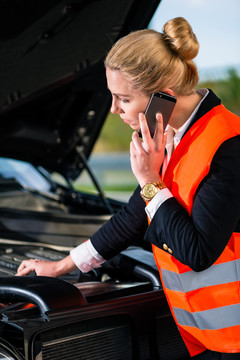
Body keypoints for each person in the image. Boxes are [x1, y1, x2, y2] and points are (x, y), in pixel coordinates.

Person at [16, 17, 240, 359]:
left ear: (163, 94)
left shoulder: (227, 144)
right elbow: (133, 217)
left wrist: (150, 180)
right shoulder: (168, 140)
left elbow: (197, 253)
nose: (112, 109)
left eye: (123, 98)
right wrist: (61, 266)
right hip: (206, 338)